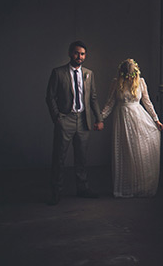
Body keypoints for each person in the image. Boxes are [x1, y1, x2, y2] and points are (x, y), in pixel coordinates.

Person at [46, 41, 104, 205]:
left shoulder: (89, 74)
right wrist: (57, 117)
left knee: (82, 158)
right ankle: (55, 192)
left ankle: (83, 189)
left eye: (83, 54)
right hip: (65, 119)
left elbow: (93, 98)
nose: (80, 57)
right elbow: (50, 97)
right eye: (77, 53)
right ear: (70, 53)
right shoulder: (58, 73)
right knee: (59, 157)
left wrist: (98, 118)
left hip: (83, 121)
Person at [101, 59, 163, 198]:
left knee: (139, 151)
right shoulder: (116, 83)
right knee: (125, 152)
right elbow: (110, 103)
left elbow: (147, 102)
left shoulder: (141, 82)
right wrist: (101, 118)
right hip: (122, 119)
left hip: (138, 118)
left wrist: (156, 119)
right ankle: (127, 186)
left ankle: (142, 185)